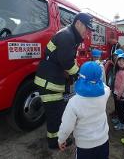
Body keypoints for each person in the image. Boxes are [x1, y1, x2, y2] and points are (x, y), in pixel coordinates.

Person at [34, 12, 94, 149]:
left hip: (50, 80)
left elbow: (68, 60)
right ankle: (54, 142)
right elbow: (67, 62)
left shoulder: (70, 35)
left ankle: (56, 138)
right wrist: (80, 76)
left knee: (56, 111)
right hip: (49, 82)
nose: (88, 32)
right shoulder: (67, 36)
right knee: (54, 114)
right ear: (78, 23)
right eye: (87, 28)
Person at [58, 61, 110, 159]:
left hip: (84, 146)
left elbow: (67, 127)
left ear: (80, 77)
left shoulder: (74, 102)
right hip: (103, 142)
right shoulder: (105, 94)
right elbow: (105, 86)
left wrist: (61, 139)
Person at [112, 53, 124, 130]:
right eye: (120, 60)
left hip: (121, 94)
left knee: (121, 110)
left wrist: (119, 94)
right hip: (117, 92)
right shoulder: (118, 70)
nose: (121, 62)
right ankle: (119, 119)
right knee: (118, 108)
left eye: (123, 60)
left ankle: (122, 123)